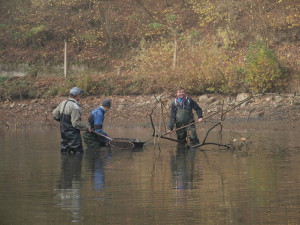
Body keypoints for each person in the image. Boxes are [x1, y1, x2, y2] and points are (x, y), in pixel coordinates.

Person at [53, 87, 91, 153]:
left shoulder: (63, 103)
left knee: (64, 154)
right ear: (77, 95)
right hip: (73, 137)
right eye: (80, 95)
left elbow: (54, 115)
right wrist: (87, 127)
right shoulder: (75, 106)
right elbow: (75, 123)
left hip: (63, 134)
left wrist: (62, 120)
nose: (80, 96)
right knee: (78, 155)